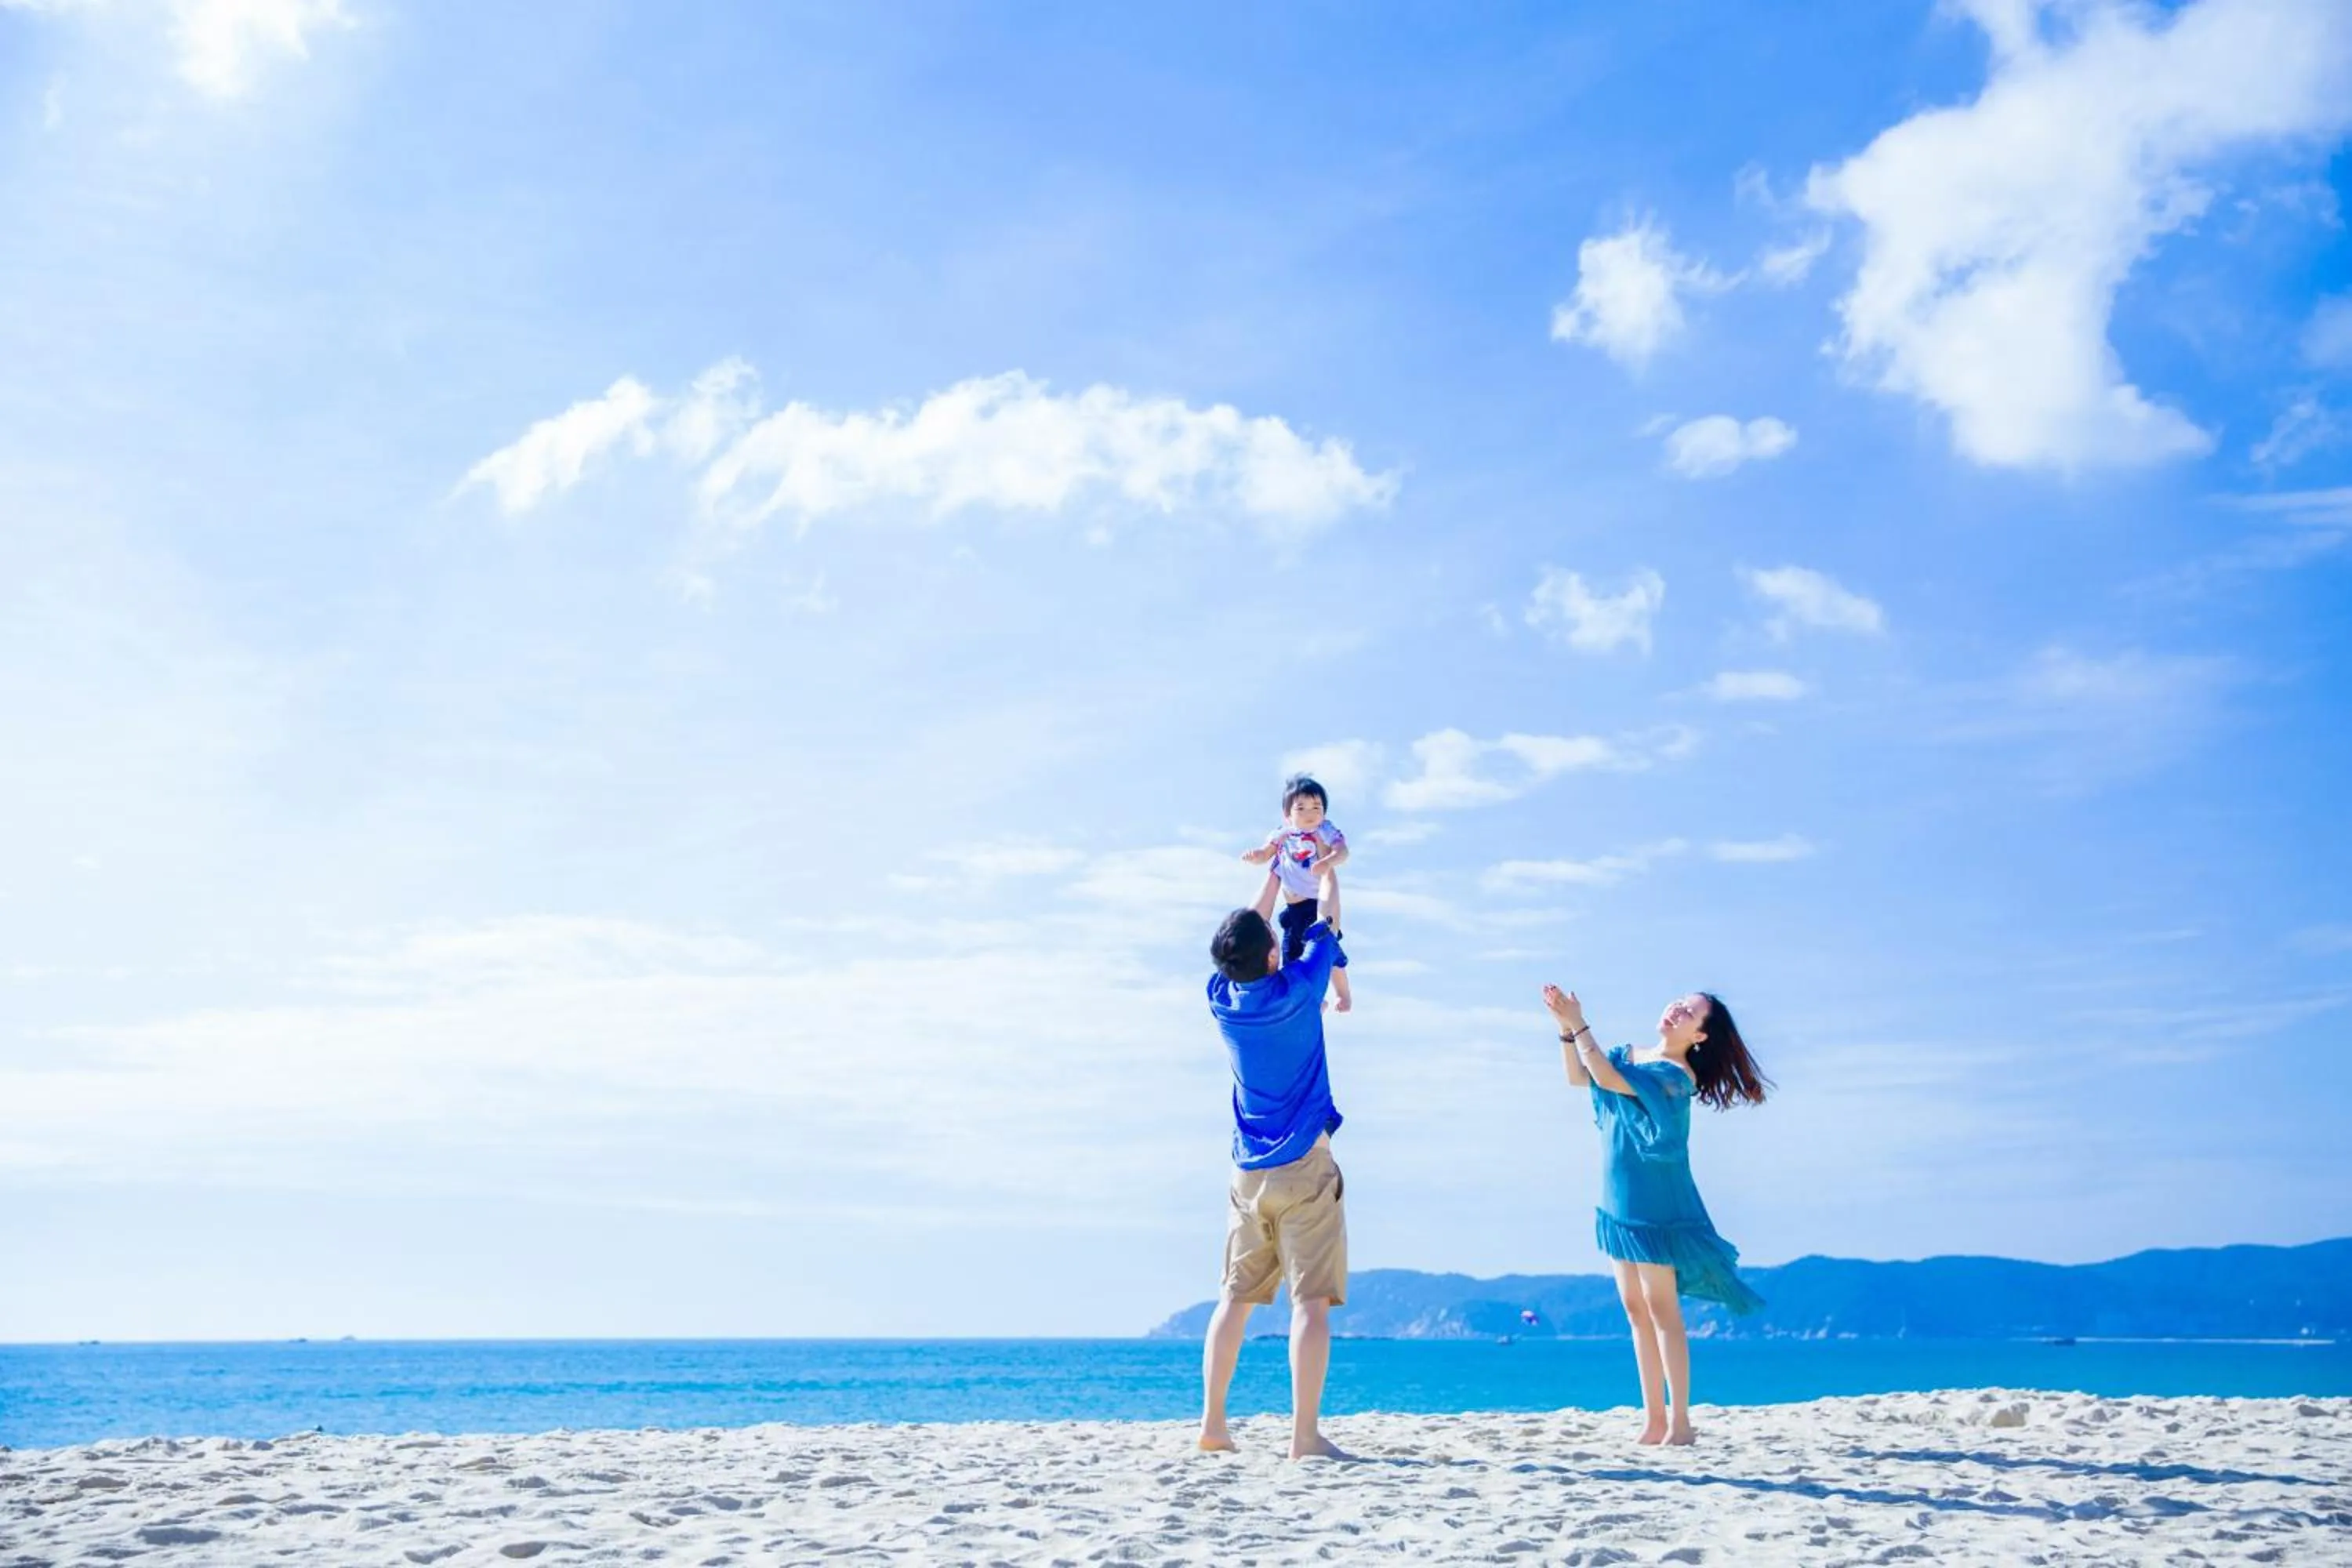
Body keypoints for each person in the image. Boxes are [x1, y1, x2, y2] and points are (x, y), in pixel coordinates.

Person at [1541, 983, 1769, 1445]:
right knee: (1635, 1309)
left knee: (1662, 1308)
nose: (1676, 1010)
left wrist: (1580, 1022)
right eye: (1678, 1002)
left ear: (1700, 1036)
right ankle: (1653, 1420)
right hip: (1617, 1196)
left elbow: (1605, 1076)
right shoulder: (1630, 1054)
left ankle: (1681, 1423)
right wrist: (1566, 1030)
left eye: (1690, 1013)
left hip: (1654, 1200)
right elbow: (1582, 1077)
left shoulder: (1675, 1074)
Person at [1197, 865, 1350, 1460]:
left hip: (1247, 1174)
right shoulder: (1298, 991)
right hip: (1305, 1168)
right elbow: (1328, 920)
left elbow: (1250, 929)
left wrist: (1271, 875)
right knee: (1308, 1303)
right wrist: (1328, 873)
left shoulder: (1222, 1001)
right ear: (1269, 959)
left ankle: (1214, 1426)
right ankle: (1304, 1438)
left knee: (1234, 1300)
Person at [1240, 775, 1352, 1012]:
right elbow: (1265, 853)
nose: (1310, 813)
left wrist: (1328, 861)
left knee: (1328, 950)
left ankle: (1343, 994)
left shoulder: (1325, 830)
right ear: (1287, 815)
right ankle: (1312, 1002)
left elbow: (1343, 852)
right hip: (1293, 911)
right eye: (1301, 808)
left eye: (1317, 807)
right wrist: (1255, 857)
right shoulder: (1283, 834)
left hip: (1317, 904)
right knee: (1292, 959)